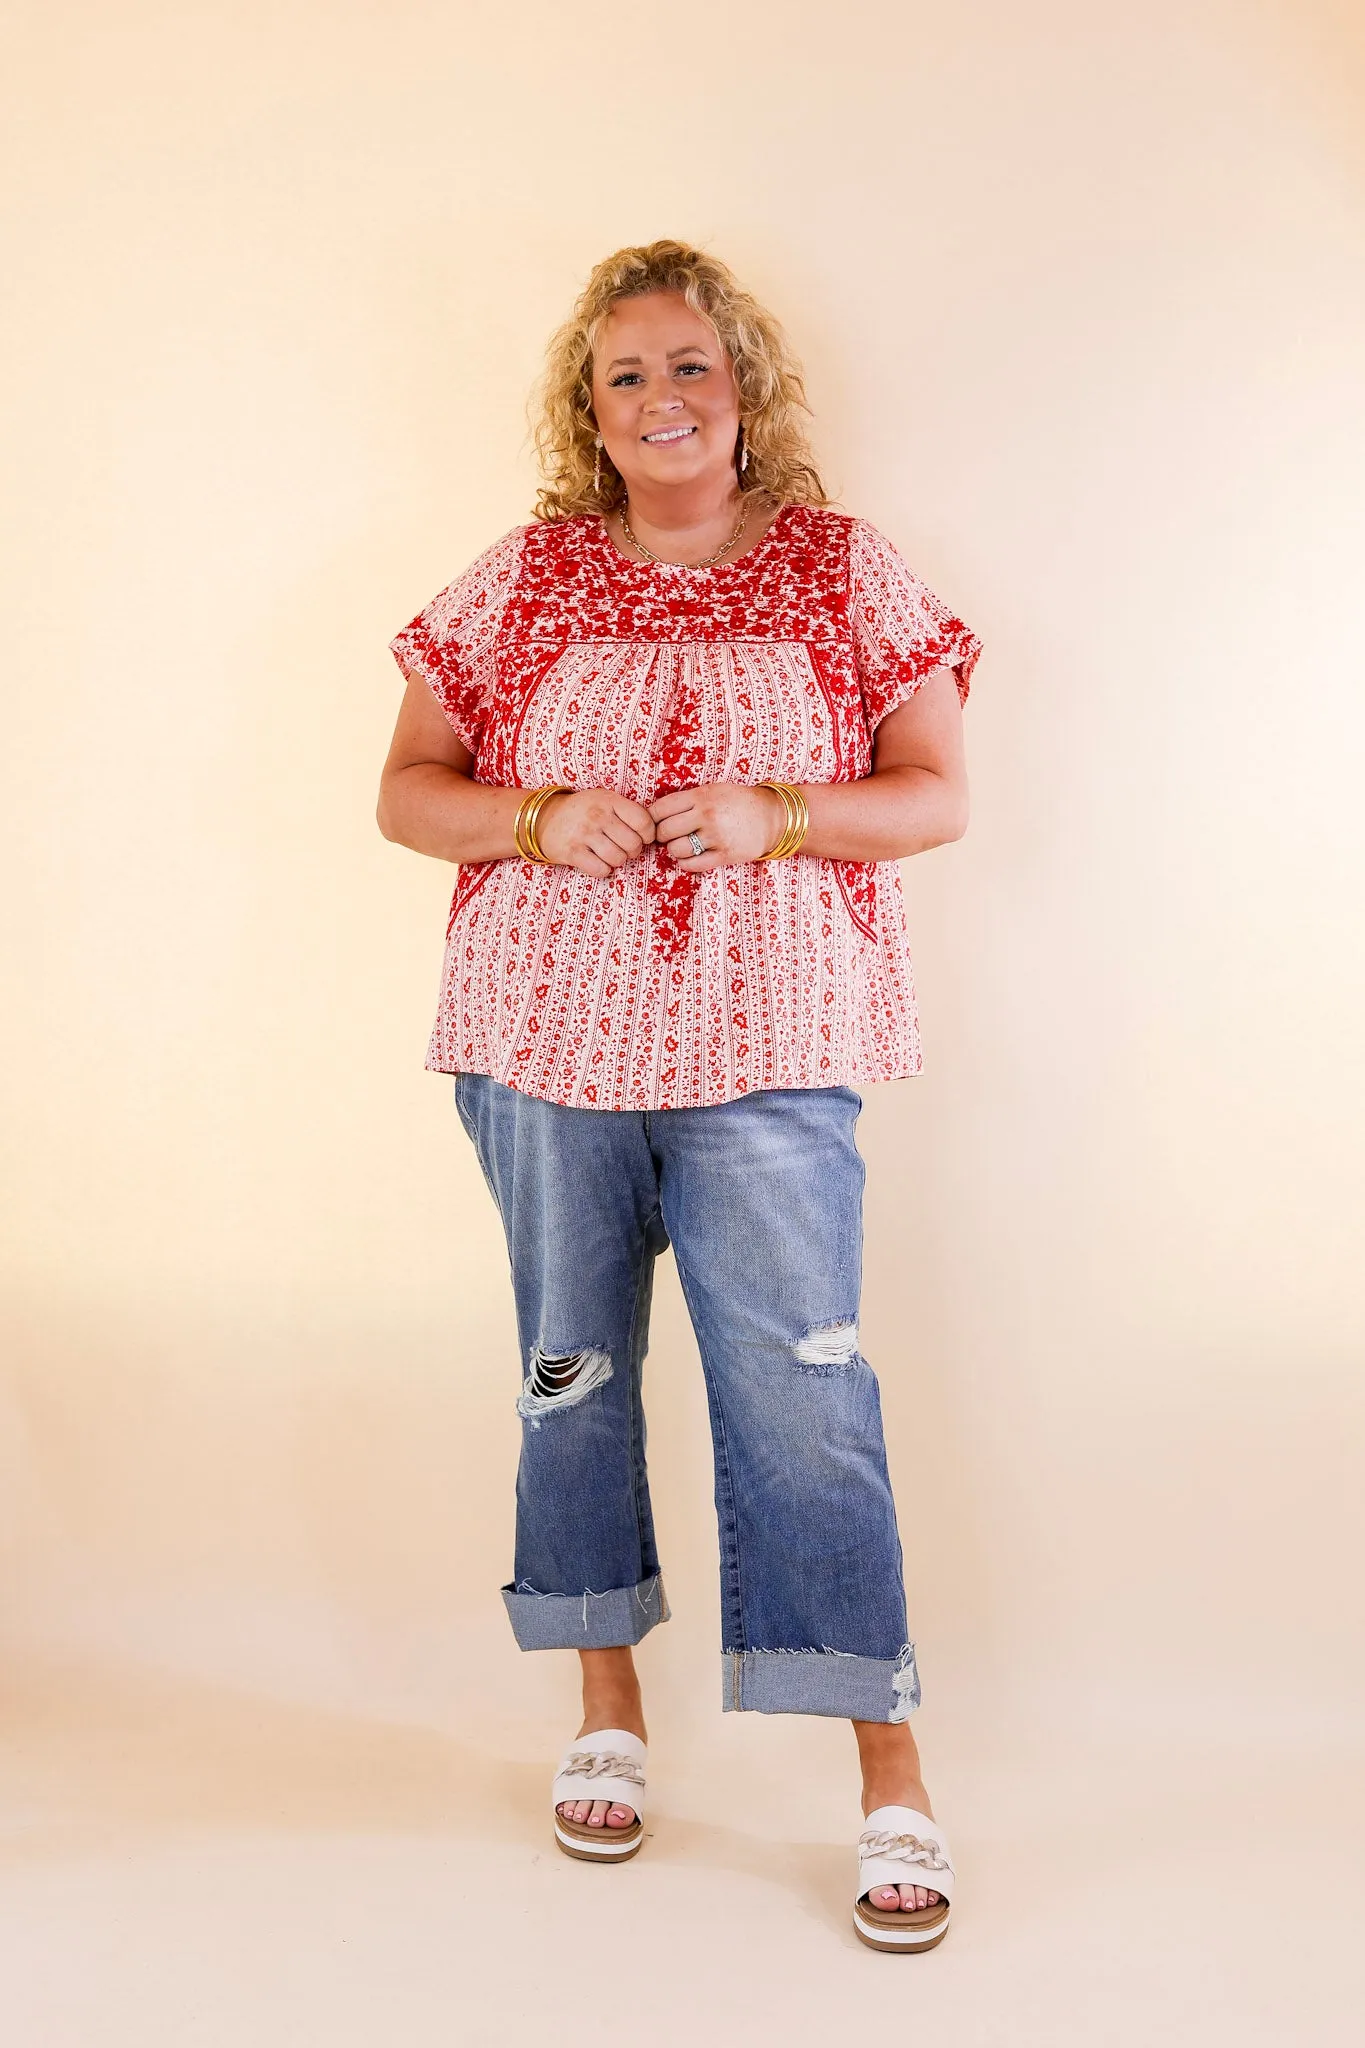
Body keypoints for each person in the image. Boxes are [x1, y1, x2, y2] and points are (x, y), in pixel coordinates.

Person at [377, 240, 981, 1953]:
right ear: (591, 407)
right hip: (542, 1044)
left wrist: (780, 811)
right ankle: (608, 1714)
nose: (663, 400)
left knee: (803, 1392)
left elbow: (935, 794)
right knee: (569, 1371)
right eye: (628, 374)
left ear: (746, 392)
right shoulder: (527, 579)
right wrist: (536, 817)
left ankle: (891, 1773)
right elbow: (410, 793)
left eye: (692, 368)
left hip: (768, 1048)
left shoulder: (845, 571)